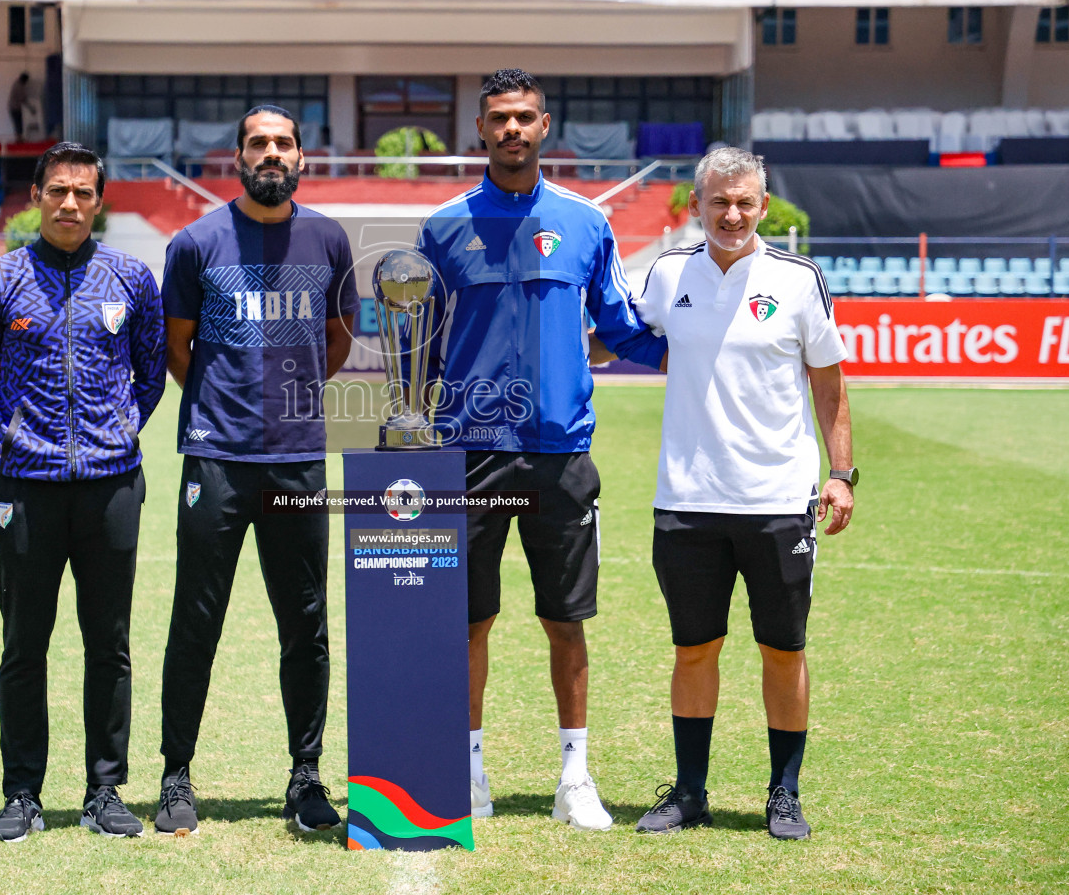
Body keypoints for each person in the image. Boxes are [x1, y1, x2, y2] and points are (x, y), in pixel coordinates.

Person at [414, 68, 669, 832]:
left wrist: (700, 351)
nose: (512, 129)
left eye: (524, 117)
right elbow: (417, 342)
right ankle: (467, 771)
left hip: (561, 453)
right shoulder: (444, 225)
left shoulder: (586, 222)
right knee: (467, 623)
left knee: (566, 621)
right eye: (499, 118)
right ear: (482, 131)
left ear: (545, 125)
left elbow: (620, 325)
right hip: (470, 453)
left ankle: (574, 777)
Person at [631, 146, 856, 841]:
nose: (732, 214)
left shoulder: (798, 278)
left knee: (783, 651)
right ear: (697, 205)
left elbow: (829, 384)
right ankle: (690, 792)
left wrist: (841, 473)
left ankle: (783, 794)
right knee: (694, 649)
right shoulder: (667, 275)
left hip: (779, 500)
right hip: (688, 500)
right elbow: (617, 341)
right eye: (719, 201)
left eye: (745, 203)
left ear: (763, 205)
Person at [154, 104, 358, 837]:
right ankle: (176, 774)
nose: (270, 153)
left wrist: (291, 406)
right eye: (257, 143)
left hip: (299, 460)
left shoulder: (329, 240)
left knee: (305, 625)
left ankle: (306, 776)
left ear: (302, 157)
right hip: (217, 457)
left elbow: (337, 344)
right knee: (195, 621)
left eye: (283, 143)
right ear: (237, 155)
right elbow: (177, 349)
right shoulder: (196, 242)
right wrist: (222, 409)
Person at [0, 142, 167, 842]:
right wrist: (14, 442)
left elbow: (151, 374)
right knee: (25, 643)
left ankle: (105, 791)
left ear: (99, 201)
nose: (70, 204)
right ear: (37, 198)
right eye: (57, 191)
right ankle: (22, 794)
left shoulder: (133, 280)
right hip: (26, 488)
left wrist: (118, 432)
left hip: (111, 486)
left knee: (109, 644)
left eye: (82, 192)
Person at [8, 72, 31, 141]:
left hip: (13, 106)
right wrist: (31, 108)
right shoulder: (19, 86)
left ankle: (19, 137)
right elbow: (23, 98)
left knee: (17, 123)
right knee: (18, 123)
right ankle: (19, 138)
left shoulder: (16, 84)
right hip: (15, 107)